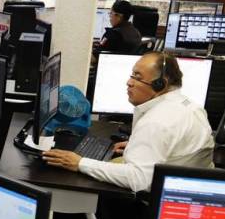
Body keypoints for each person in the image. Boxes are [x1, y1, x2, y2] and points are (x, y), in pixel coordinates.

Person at [43, 52, 214, 193]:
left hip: (158, 204)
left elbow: (138, 179)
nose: (129, 82)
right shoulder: (189, 105)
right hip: (191, 190)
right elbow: (173, 147)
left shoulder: (156, 122)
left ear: (160, 85)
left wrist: (80, 163)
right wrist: (138, 145)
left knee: (75, 188)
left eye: (137, 78)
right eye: (132, 75)